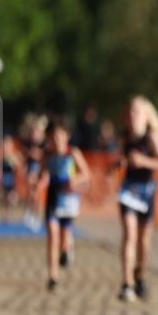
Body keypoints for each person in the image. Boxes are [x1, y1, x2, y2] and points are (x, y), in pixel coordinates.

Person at [117, 95, 158, 301]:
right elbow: (123, 160)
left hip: (147, 192)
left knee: (144, 240)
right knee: (129, 235)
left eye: (137, 112)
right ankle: (126, 283)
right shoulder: (124, 137)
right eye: (130, 111)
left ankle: (140, 274)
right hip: (128, 192)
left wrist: (144, 161)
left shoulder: (151, 138)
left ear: (145, 116)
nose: (132, 116)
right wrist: (117, 166)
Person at [40, 118, 91, 291]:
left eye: (60, 136)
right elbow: (43, 174)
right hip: (53, 196)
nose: (56, 140)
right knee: (52, 235)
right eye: (53, 137)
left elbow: (86, 174)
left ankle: (67, 249)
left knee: (63, 237)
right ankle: (53, 276)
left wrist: (74, 180)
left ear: (66, 136)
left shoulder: (73, 153)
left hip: (68, 198)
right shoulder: (47, 155)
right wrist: (37, 183)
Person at [0, 134, 23, 223]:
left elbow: (20, 168)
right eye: (4, 145)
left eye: (8, 144)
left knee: (11, 198)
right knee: (5, 199)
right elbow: (0, 170)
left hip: (13, 181)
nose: (6, 147)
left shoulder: (15, 156)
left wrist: (14, 162)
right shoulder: (2, 158)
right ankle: (6, 216)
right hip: (5, 181)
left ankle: (10, 213)